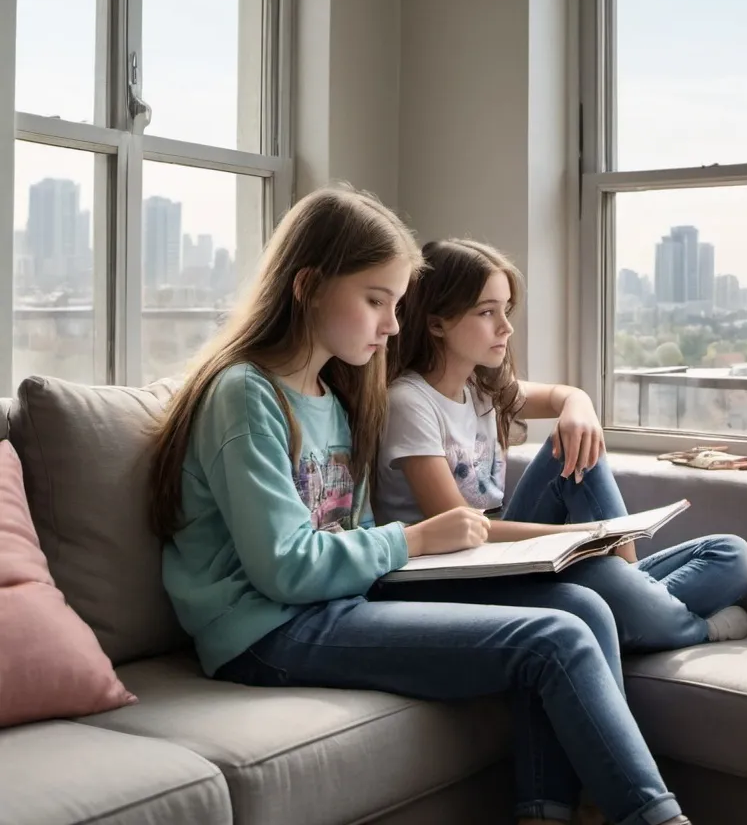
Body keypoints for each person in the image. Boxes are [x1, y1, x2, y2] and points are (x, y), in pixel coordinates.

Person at [148, 184, 691, 825]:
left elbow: (352, 528)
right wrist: (413, 541)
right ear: (308, 286)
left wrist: (425, 559)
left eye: (398, 304)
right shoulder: (245, 396)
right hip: (265, 631)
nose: (394, 325)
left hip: (342, 598)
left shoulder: (333, 392)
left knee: (579, 603)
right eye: (376, 301)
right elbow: (284, 568)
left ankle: (549, 809)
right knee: (554, 638)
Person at [377, 238, 747, 653]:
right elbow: (459, 530)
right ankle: (684, 625)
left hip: (500, 556)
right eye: (487, 312)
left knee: (732, 555)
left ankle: (636, 597)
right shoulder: (410, 402)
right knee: (601, 576)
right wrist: (587, 537)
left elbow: (563, 397)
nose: (506, 326)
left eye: (506, 309)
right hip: (455, 571)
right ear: (436, 323)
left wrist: (579, 404)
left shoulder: (482, 388)